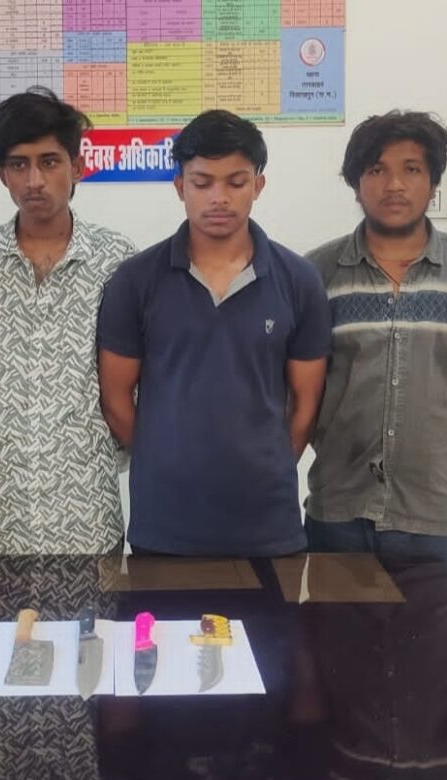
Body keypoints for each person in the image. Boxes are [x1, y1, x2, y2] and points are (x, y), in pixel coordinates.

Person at [97, 110, 331, 556]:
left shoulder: (298, 280)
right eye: (202, 183)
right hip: (165, 525)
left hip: (268, 527)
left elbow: (306, 405)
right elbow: (115, 398)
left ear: (258, 186)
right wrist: (163, 459)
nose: (219, 198)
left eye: (235, 182)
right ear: (179, 187)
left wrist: (268, 464)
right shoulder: (136, 280)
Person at [0, 87, 136, 554]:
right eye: (19, 164)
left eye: (49, 162)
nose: (34, 180)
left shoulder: (118, 262)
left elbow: (138, 380)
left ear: (77, 166)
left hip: (88, 514)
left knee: (97, 609)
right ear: (2, 175)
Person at [305, 110, 447, 594]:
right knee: (337, 644)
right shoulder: (316, 275)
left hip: (442, 520)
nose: (395, 184)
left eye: (412, 169)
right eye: (377, 169)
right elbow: (294, 392)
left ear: (433, 182)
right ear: (356, 184)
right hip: (340, 517)